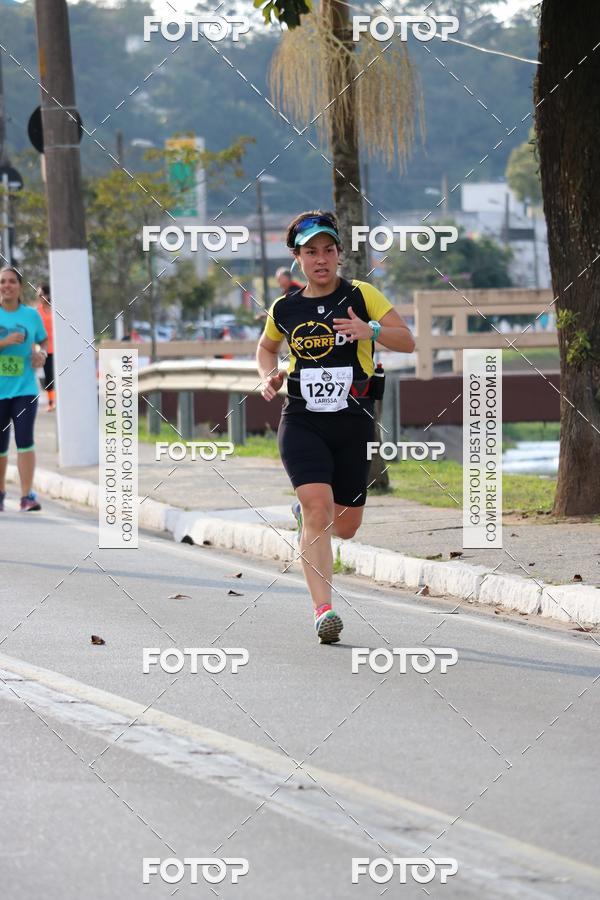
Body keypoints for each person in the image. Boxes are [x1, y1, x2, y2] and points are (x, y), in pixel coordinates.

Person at [257, 211, 415, 643]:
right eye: (311, 252)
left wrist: (372, 329)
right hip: (303, 418)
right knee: (316, 508)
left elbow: (408, 340)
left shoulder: (362, 295)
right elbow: (266, 348)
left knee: (344, 526)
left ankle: (309, 518)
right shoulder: (284, 307)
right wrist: (267, 374)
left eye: (328, 250)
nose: (321, 259)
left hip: (354, 420)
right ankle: (322, 610)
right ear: (297, 258)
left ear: (339, 254)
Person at [0, 266, 48, 512]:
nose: (6, 286)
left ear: (19, 286)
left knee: (25, 441)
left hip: (25, 389)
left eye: (11, 282)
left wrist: (41, 355)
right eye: (2, 282)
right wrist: (5, 342)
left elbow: (42, 341)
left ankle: (27, 495)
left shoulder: (31, 316)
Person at [36, 282, 55, 411]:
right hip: (45, 348)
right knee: (49, 376)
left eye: (41, 294)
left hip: (58, 348)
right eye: (38, 294)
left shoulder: (55, 309)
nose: (39, 297)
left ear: (47, 295)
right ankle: (51, 402)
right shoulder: (37, 311)